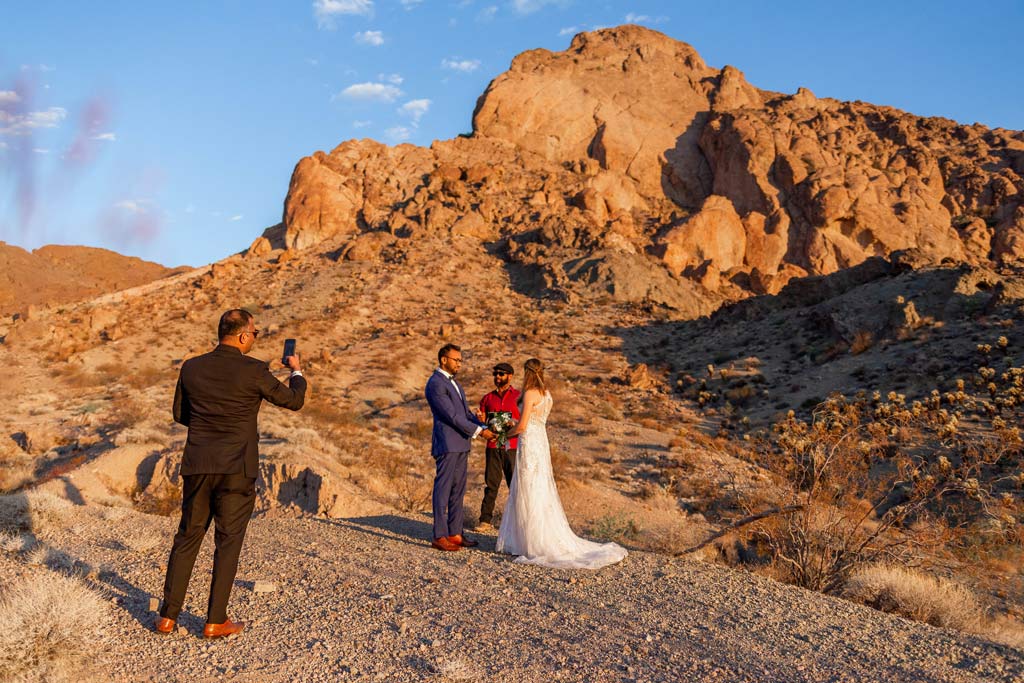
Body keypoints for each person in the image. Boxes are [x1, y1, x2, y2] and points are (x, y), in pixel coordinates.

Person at [154, 309, 307, 638]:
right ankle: (214, 620)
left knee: (187, 539)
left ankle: (167, 617)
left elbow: (181, 414)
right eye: (255, 333)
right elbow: (293, 401)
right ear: (242, 335)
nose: (254, 338)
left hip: (198, 465)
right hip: (237, 469)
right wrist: (297, 372)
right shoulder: (254, 370)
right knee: (227, 543)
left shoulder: (191, 367)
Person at [496, 358, 626, 569]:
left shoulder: (529, 393)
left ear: (526, 372)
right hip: (540, 441)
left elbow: (522, 427)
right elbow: (535, 420)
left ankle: (532, 543)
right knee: (539, 487)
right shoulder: (547, 394)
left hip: (529, 442)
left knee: (528, 487)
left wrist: (502, 435)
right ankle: (532, 538)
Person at [424, 343, 495, 551]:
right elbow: (451, 416)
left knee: (458, 490)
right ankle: (439, 535)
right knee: (443, 490)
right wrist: (480, 432)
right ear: (444, 359)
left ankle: (455, 533)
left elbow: (463, 414)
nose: (459, 364)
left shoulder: (455, 384)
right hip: (447, 443)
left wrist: (480, 422)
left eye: (461, 360)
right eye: (456, 360)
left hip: (461, 443)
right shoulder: (436, 384)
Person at [474, 362, 520, 532]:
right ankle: (485, 521)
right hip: (493, 445)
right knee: (491, 484)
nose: (497, 377)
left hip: (512, 446)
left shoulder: (519, 396)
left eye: (501, 374)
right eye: (495, 374)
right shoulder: (487, 398)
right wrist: (479, 418)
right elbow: (482, 422)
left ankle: (517, 523)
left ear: (510, 376)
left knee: (514, 485)